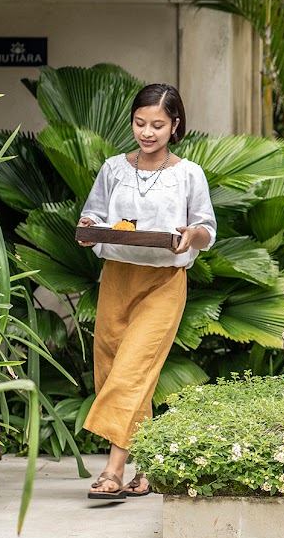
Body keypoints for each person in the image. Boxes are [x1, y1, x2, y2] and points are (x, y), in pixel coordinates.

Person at [76, 83, 215, 499]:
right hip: (117, 277)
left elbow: (206, 229)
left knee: (132, 370)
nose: (147, 132)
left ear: (175, 127)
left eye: (158, 124)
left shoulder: (189, 174)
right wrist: (88, 229)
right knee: (111, 369)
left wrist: (192, 236)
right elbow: (94, 213)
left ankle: (113, 471)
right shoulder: (113, 168)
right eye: (140, 123)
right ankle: (150, 467)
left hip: (164, 283)